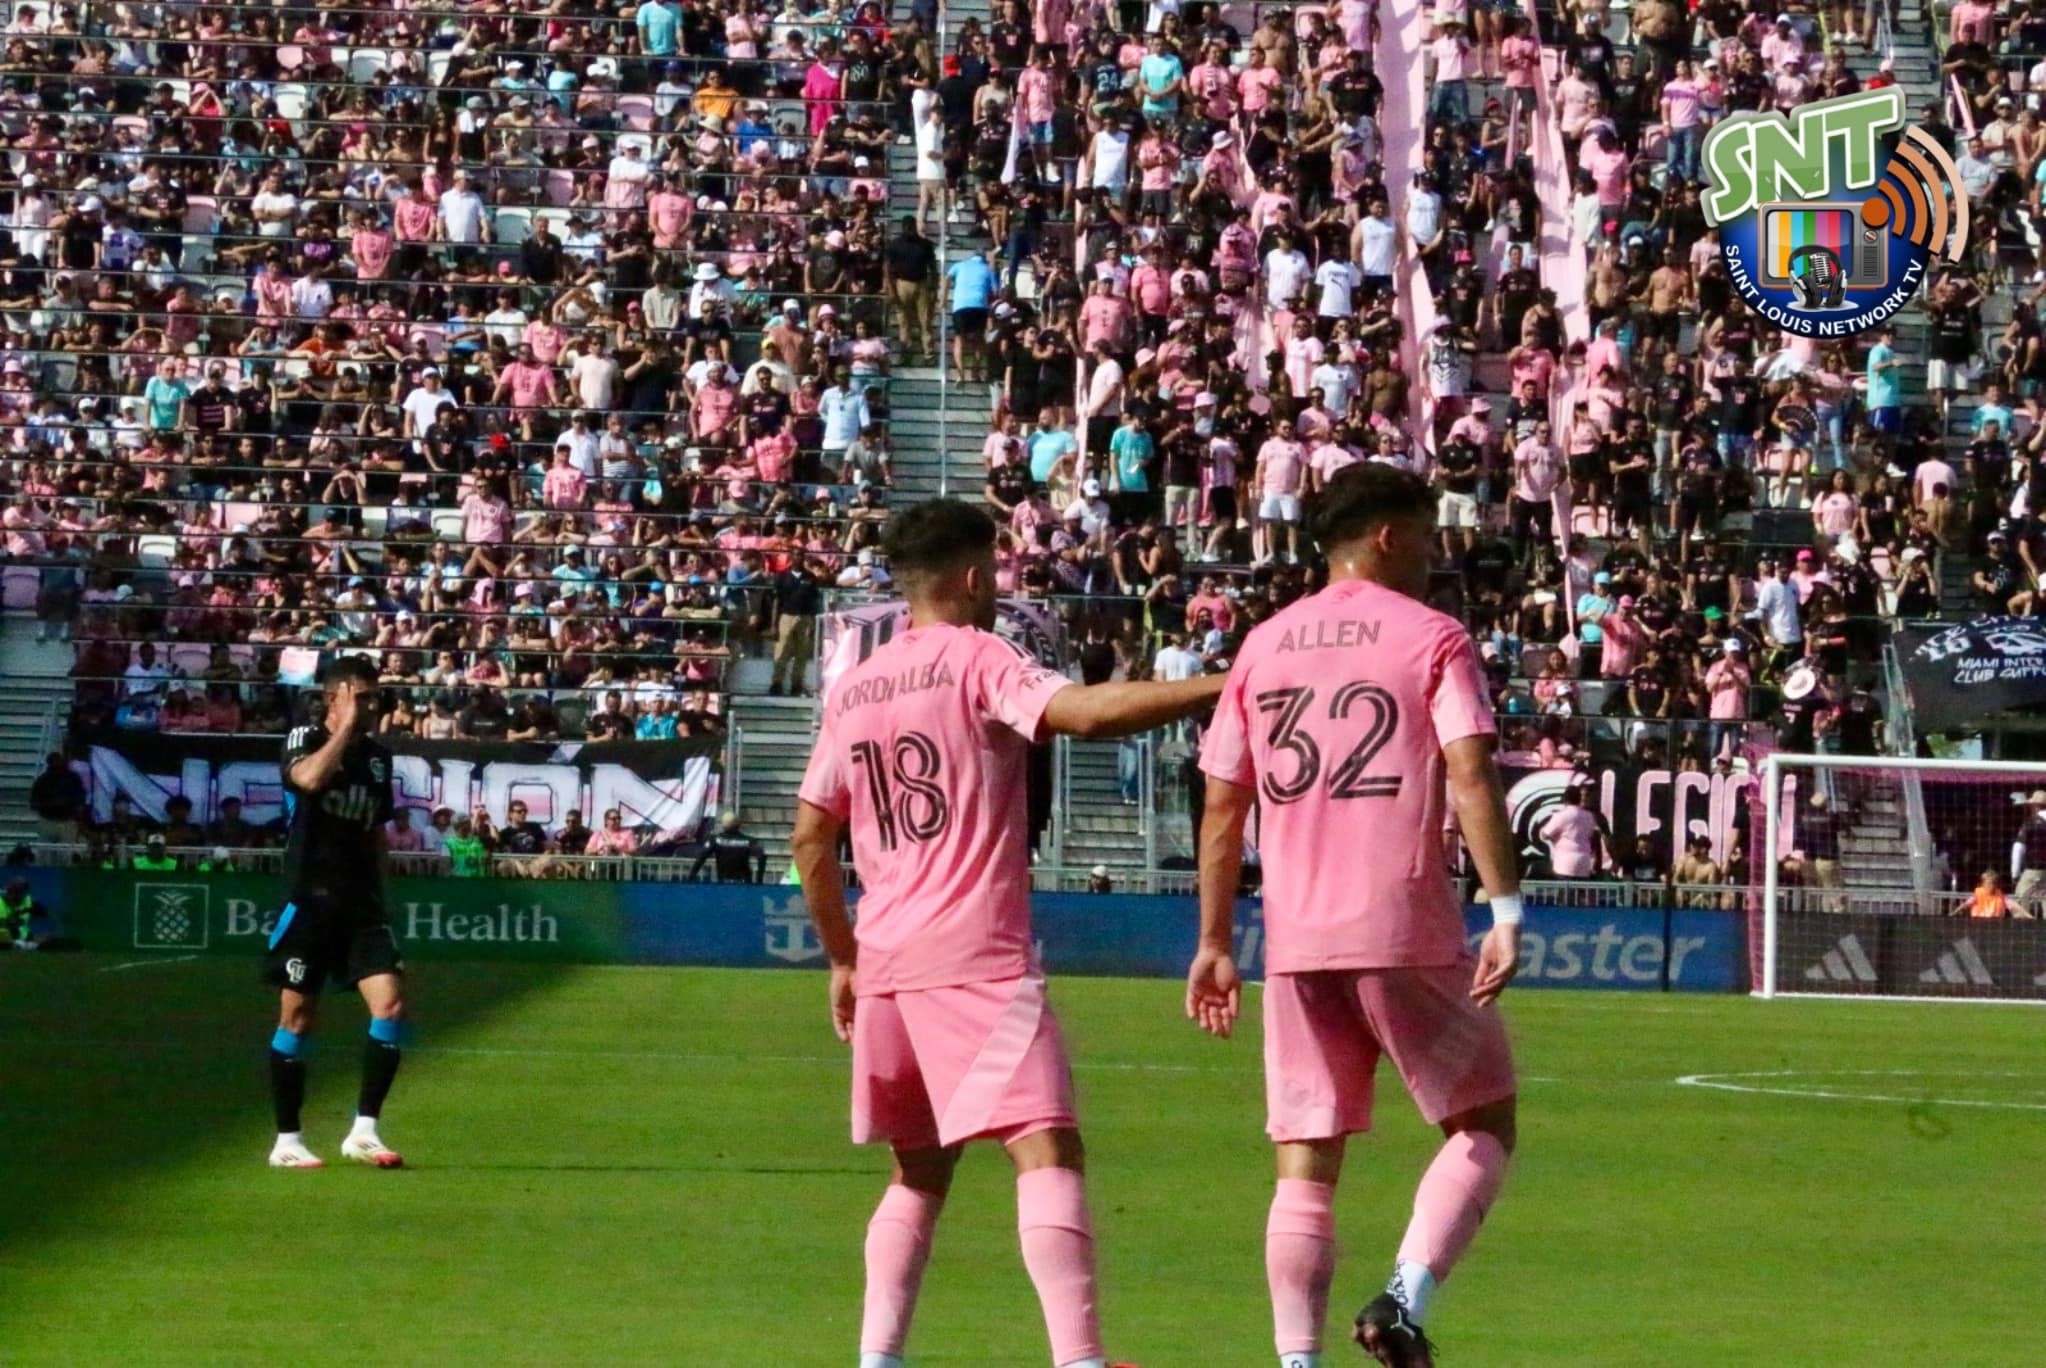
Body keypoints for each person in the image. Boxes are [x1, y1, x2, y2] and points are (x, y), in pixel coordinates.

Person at [792, 498, 1226, 1368]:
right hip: (974, 954)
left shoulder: (854, 687)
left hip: (886, 959)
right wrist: (1225, 685)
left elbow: (809, 836)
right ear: (972, 575)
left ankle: (878, 1359)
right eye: (995, 570)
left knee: (919, 1171)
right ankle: (1081, 1360)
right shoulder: (978, 654)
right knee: (1046, 1147)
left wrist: (843, 957)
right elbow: (1087, 715)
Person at [1183, 464, 1522, 1368]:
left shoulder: (1263, 645)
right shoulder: (1433, 635)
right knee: (1484, 1122)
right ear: (1387, 536)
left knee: (1305, 1161)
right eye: (1425, 534)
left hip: (1295, 936)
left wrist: (1214, 940)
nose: (1434, 552)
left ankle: (1298, 1361)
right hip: (1401, 921)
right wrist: (1505, 907)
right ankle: (1403, 1302)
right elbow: (1469, 770)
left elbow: (1222, 806)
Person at [264, 657, 408, 1170]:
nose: (372, 706)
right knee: (298, 1018)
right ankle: (287, 1140)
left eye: (374, 697)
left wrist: (383, 897)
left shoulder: (378, 759)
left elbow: (375, 831)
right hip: (309, 900)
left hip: (361, 905)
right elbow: (306, 780)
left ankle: (364, 1131)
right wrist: (343, 730)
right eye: (362, 697)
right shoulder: (304, 738)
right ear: (334, 698)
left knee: (391, 1005)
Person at [689, 811, 769, 884]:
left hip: (723, 884)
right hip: (744, 884)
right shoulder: (749, 841)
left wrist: (691, 877)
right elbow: (762, 857)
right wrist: (759, 880)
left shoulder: (715, 840)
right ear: (739, 824)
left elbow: (701, 857)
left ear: (723, 825)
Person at [29, 753, 85, 843]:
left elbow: (80, 796)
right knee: (61, 848)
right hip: (54, 819)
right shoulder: (44, 780)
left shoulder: (43, 779)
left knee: (52, 848)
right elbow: (34, 801)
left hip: (61, 819)